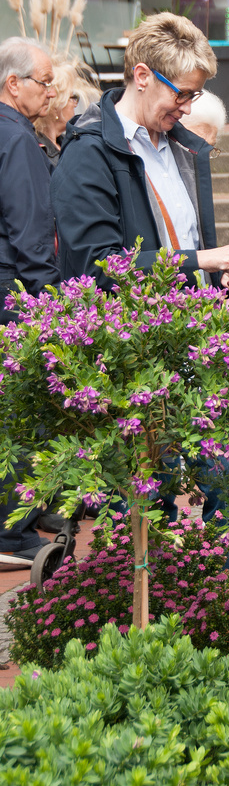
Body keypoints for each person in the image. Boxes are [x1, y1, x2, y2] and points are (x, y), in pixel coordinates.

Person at [51, 12, 229, 567]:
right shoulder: (87, 152)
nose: (188, 108)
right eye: (185, 94)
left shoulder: (183, 147)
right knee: (145, 516)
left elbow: (187, 253)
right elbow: (96, 267)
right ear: (142, 75)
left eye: (196, 97)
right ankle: (147, 621)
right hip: (131, 366)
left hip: (197, 355)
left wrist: (223, 284)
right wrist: (201, 257)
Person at [0, 36, 62, 560]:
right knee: (19, 414)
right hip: (15, 290)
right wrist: (47, 297)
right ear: (12, 83)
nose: (51, 91)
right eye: (43, 81)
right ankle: (11, 533)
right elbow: (29, 228)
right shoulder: (17, 139)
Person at [34, 58, 100, 167]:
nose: (75, 104)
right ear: (56, 105)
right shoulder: (38, 150)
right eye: (72, 97)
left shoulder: (68, 142)